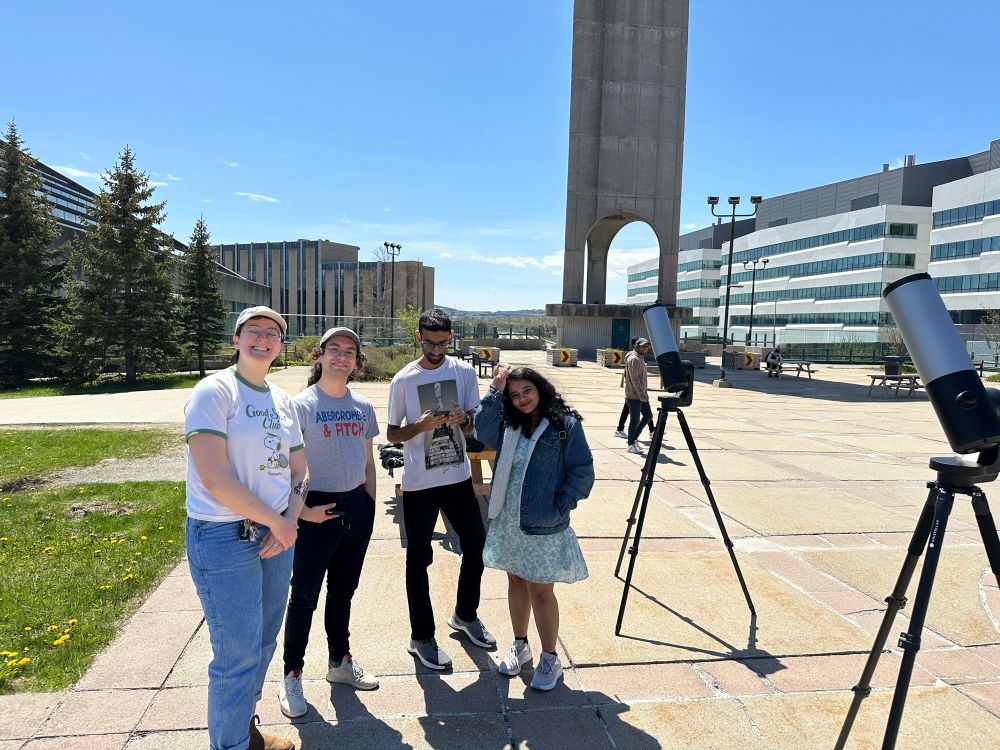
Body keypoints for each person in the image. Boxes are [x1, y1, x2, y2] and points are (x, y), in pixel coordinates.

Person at [185, 305, 306, 750]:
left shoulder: (281, 399)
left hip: (277, 536)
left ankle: (244, 730)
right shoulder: (214, 392)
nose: (263, 338)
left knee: (261, 642)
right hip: (224, 536)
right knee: (235, 653)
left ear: (281, 344)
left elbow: (299, 469)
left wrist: (287, 522)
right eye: (253, 330)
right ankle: (231, 745)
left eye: (273, 332)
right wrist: (277, 520)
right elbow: (214, 477)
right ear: (236, 340)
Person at [278, 327, 380, 719]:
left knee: (342, 593)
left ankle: (339, 663)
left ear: (357, 361)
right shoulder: (300, 405)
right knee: (304, 596)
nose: (342, 357)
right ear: (318, 356)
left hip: (356, 507)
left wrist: (369, 505)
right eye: (333, 350)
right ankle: (291, 674)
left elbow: (368, 462)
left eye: (349, 352)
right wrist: (301, 512)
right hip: (315, 506)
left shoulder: (363, 407)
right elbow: (285, 468)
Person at [386, 308, 496, 670]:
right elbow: (392, 435)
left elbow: (472, 423)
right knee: (418, 561)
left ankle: (465, 614)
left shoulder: (462, 372)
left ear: (451, 338)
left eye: (443, 342)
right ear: (418, 337)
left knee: (477, 546)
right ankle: (421, 637)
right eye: (430, 342)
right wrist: (417, 427)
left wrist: (462, 419)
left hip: (458, 477)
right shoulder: (403, 380)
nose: (436, 349)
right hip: (420, 484)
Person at [475, 364, 594, 691]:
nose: (522, 398)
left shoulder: (564, 426)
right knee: (515, 581)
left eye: (527, 390)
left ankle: (550, 659)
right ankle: (520, 644)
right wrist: (494, 392)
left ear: (540, 388)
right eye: (514, 395)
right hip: (508, 520)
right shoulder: (509, 425)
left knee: (541, 590)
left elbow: (583, 472)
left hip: (543, 523)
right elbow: (481, 431)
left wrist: (561, 505)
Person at [624, 337, 653, 456]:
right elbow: (634, 379)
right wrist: (641, 393)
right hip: (634, 395)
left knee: (648, 416)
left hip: (641, 394)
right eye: (643, 346)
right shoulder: (634, 359)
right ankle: (631, 445)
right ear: (636, 346)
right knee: (634, 420)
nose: (645, 349)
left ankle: (634, 437)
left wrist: (644, 393)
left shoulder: (640, 358)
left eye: (646, 347)